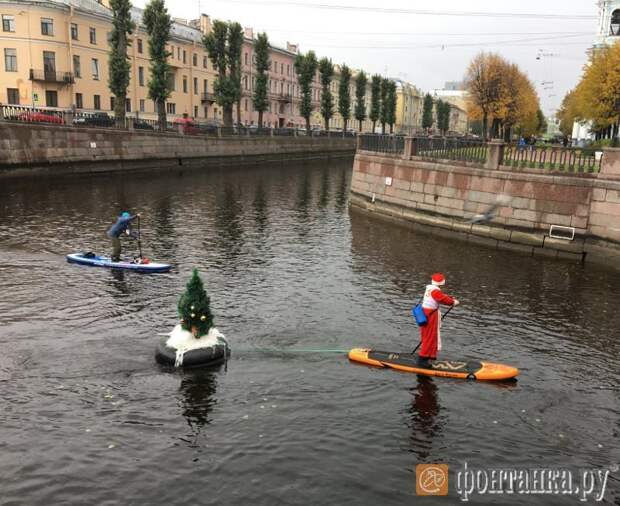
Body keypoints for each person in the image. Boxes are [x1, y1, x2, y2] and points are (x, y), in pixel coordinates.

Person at [417, 273, 459, 367]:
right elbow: (443, 299)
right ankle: (422, 360)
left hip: (426, 313)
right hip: (430, 315)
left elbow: (441, 296)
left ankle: (430, 355)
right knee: (430, 336)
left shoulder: (430, 288)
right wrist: (453, 302)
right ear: (442, 282)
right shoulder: (435, 291)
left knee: (429, 335)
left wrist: (449, 298)